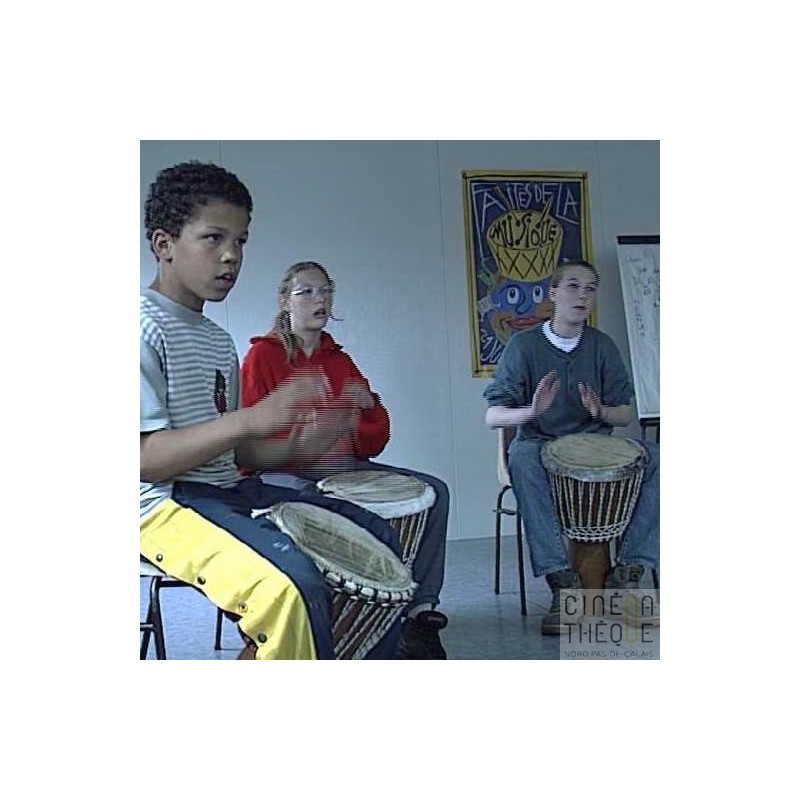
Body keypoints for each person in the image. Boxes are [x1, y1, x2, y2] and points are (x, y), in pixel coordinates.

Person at [140, 162, 405, 660]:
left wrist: (309, 438)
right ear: (164, 244)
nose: (231, 255)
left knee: (378, 542)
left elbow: (244, 454)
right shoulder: (141, 326)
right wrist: (254, 417)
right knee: (289, 589)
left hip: (227, 491)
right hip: (162, 506)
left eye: (240, 241)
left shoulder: (216, 340)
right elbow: (145, 460)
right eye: (214, 237)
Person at [240, 261, 451, 659]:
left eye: (325, 291)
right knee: (326, 501)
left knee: (435, 492)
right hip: (281, 472)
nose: (319, 299)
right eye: (306, 292)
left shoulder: (339, 361)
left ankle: (419, 612)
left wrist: (360, 414)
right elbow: (250, 440)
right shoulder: (261, 357)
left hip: (342, 468)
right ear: (285, 301)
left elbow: (375, 439)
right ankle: (333, 613)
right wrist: (315, 430)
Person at [483, 259, 659, 635]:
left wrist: (601, 411)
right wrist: (532, 411)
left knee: (659, 457)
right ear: (553, 293)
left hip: (594, 448)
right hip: (540, 445)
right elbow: (493, 416)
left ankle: (628, 575)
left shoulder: (602, 346)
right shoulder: (524, 346)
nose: (582, 295)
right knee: (521, 457)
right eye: (573, 286)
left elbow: (624, 413)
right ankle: (562, 583)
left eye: (590, 288)